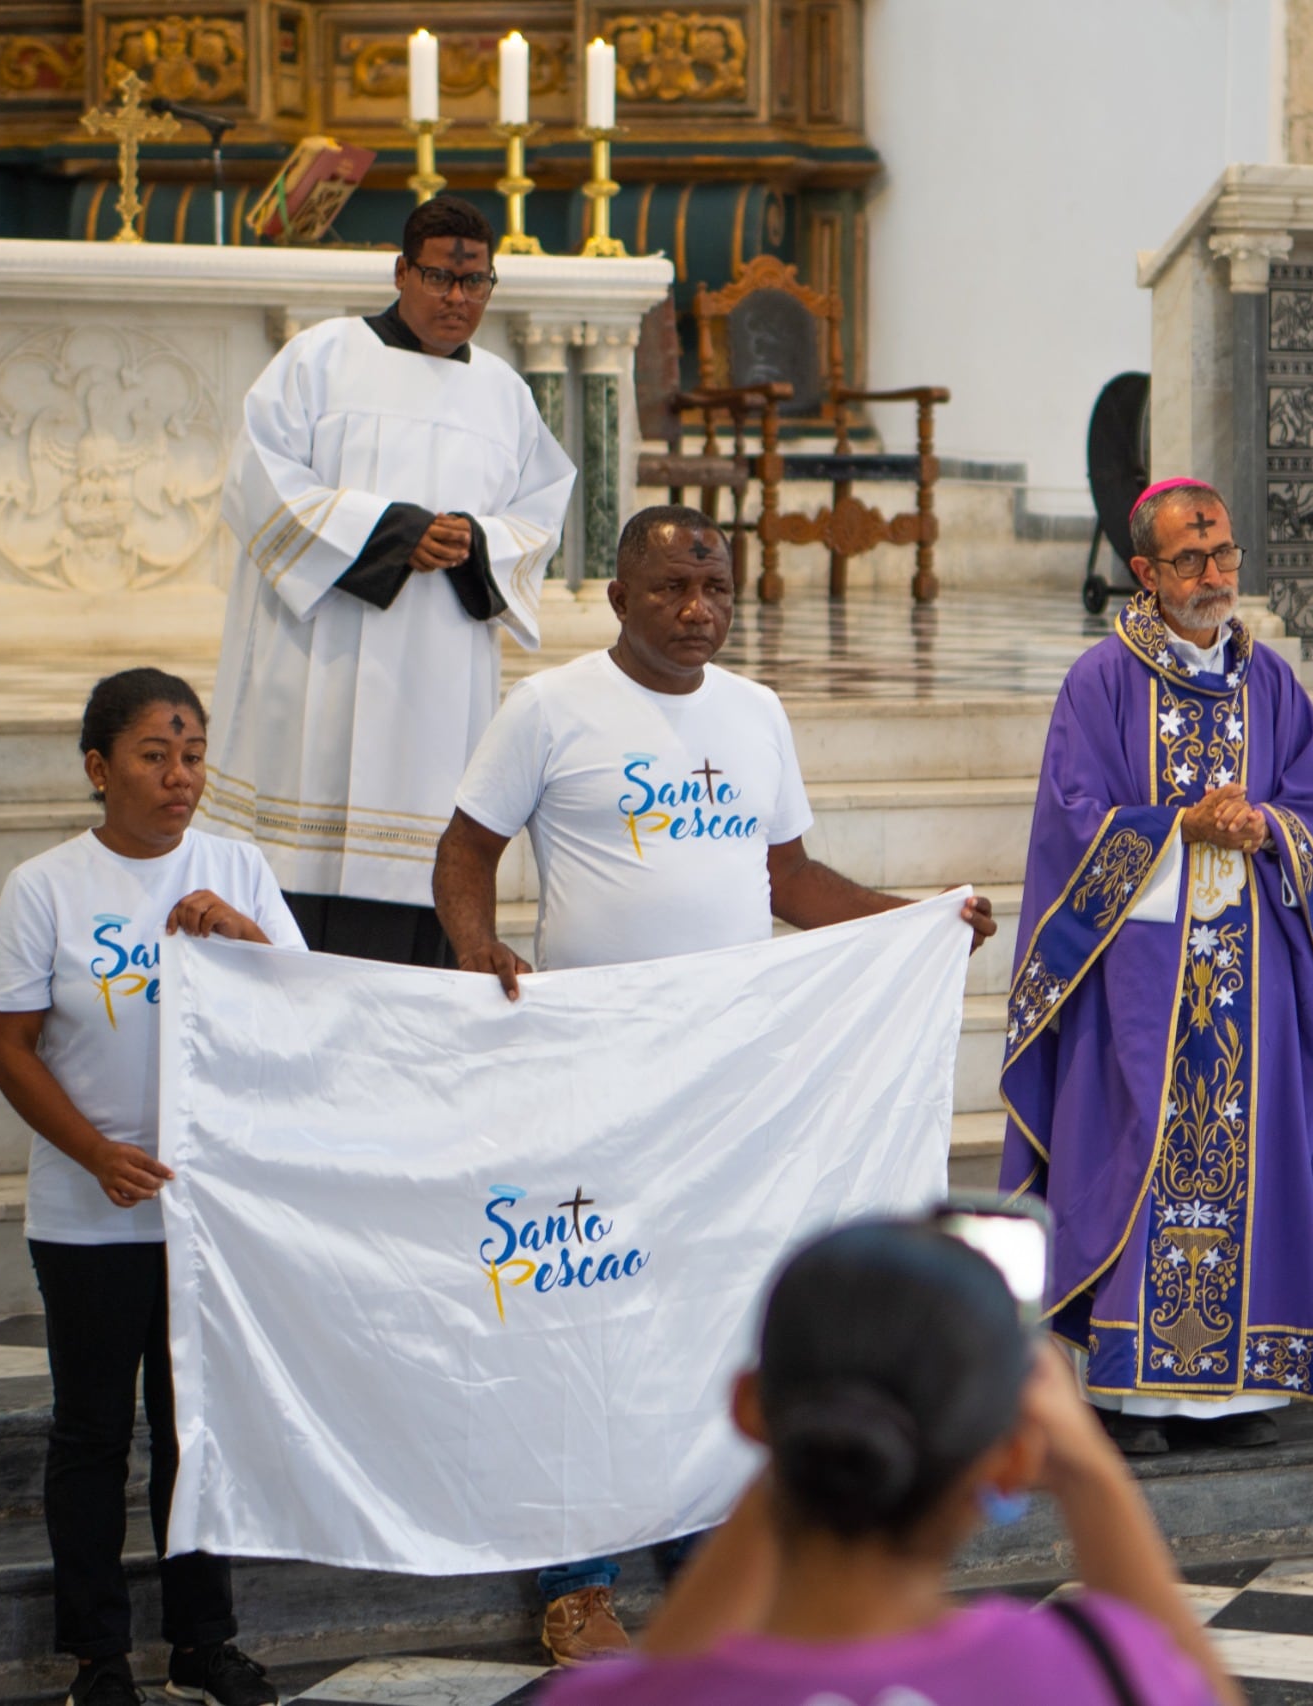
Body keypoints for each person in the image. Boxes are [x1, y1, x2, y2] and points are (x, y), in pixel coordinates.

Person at [432, 504, 994, 1662]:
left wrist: (924, 921)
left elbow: (785, 872)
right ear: (618, 597)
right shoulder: (549, 707)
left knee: (711, 1303)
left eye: (716, 589)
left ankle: (708, 1549)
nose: (697, 611)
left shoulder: (756, 714)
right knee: (587, 1304)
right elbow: (465, 847)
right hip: (594, 1063)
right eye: (670, 589)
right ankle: (577, 1576)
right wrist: (477, 947)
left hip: (728, 1071)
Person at [0, 670, 306, 1706]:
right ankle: (96, 1656)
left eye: (194, 753)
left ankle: (204, 1641)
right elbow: (7, 1045)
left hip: (204, 1213)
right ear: (97, 766)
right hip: (86, 1210)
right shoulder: (47, 885)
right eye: (155, 754)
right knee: (90, 1432)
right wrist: (93, 1151)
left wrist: (245, 936)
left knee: (191, 1429)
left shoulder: (236, 865)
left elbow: (308, 1009)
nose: (179, 776)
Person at [1000, 478, 1313, 1458]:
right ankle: (1126, 1389)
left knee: (1252, 1155)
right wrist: (1176, 825)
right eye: (1189, 559)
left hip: (1252, 975)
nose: (1213, 575)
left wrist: (1269, 824)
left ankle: (1235, 1387)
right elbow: (1071, 819)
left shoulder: (1270, 681)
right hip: (1140, 975)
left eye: (1225, 554)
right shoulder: (1101, 682)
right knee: (1134, 1157)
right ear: (1143, 573)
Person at [549, 1219, 1236, 1706]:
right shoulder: (1091, 1670)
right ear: (1013, 1458)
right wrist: (1091, 1474)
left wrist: (805, 1427)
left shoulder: (617, 1696)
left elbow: (659, 1682)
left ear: (750, 1410)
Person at [201, 193, 576, 966]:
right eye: (440, 279)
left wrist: (477, 540)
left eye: (476, 284)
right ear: (402, 271)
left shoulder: (504, 392)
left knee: (419, 897)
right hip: (318, 661)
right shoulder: (322, 357)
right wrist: (396, 532)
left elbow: (540, 514)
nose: (458, 299)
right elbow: (258, 482)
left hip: (436, 676)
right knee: (299, 894)